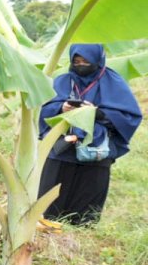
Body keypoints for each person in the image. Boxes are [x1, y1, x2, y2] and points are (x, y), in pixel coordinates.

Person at [38, 44, 142, 225]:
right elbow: (43, 110)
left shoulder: (113, 82)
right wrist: (62, 107)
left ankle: (78, 237)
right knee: (48, 207)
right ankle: (47, 235)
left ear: (98, 60)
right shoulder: (63, 80)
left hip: (96, 150)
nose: (81, 65)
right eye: (76, 61)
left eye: (87, 61)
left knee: (85, 211)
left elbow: (130, 117)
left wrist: (97, 113)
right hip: (62, 149)